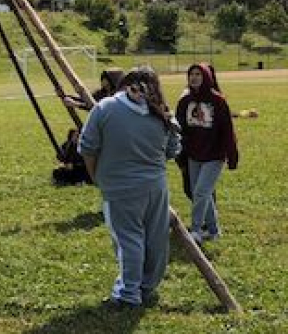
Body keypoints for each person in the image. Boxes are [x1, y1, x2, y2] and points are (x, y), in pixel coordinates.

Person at [79, 67, 181, 309]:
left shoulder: (105, 108)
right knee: (156, 239)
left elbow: (87, 147)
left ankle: (128, 293)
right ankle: (147, 285)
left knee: (128, 240)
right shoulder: (163, 112)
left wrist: (97, 177)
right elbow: (173, 149)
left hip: (119, 188)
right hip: (156, 187)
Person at [175, 63, 238, 245]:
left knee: (201, 192)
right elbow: (180, 129)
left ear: (207, 77)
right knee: (201, 193)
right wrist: (180, 154)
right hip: (194, 156)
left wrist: (232, 155)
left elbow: (227, 131)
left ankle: (195, 231)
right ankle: (213, 230)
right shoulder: (185, 101)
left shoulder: (218, 101)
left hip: (214, 156)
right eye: (191, 74)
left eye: (198, 74)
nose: (194, 78)